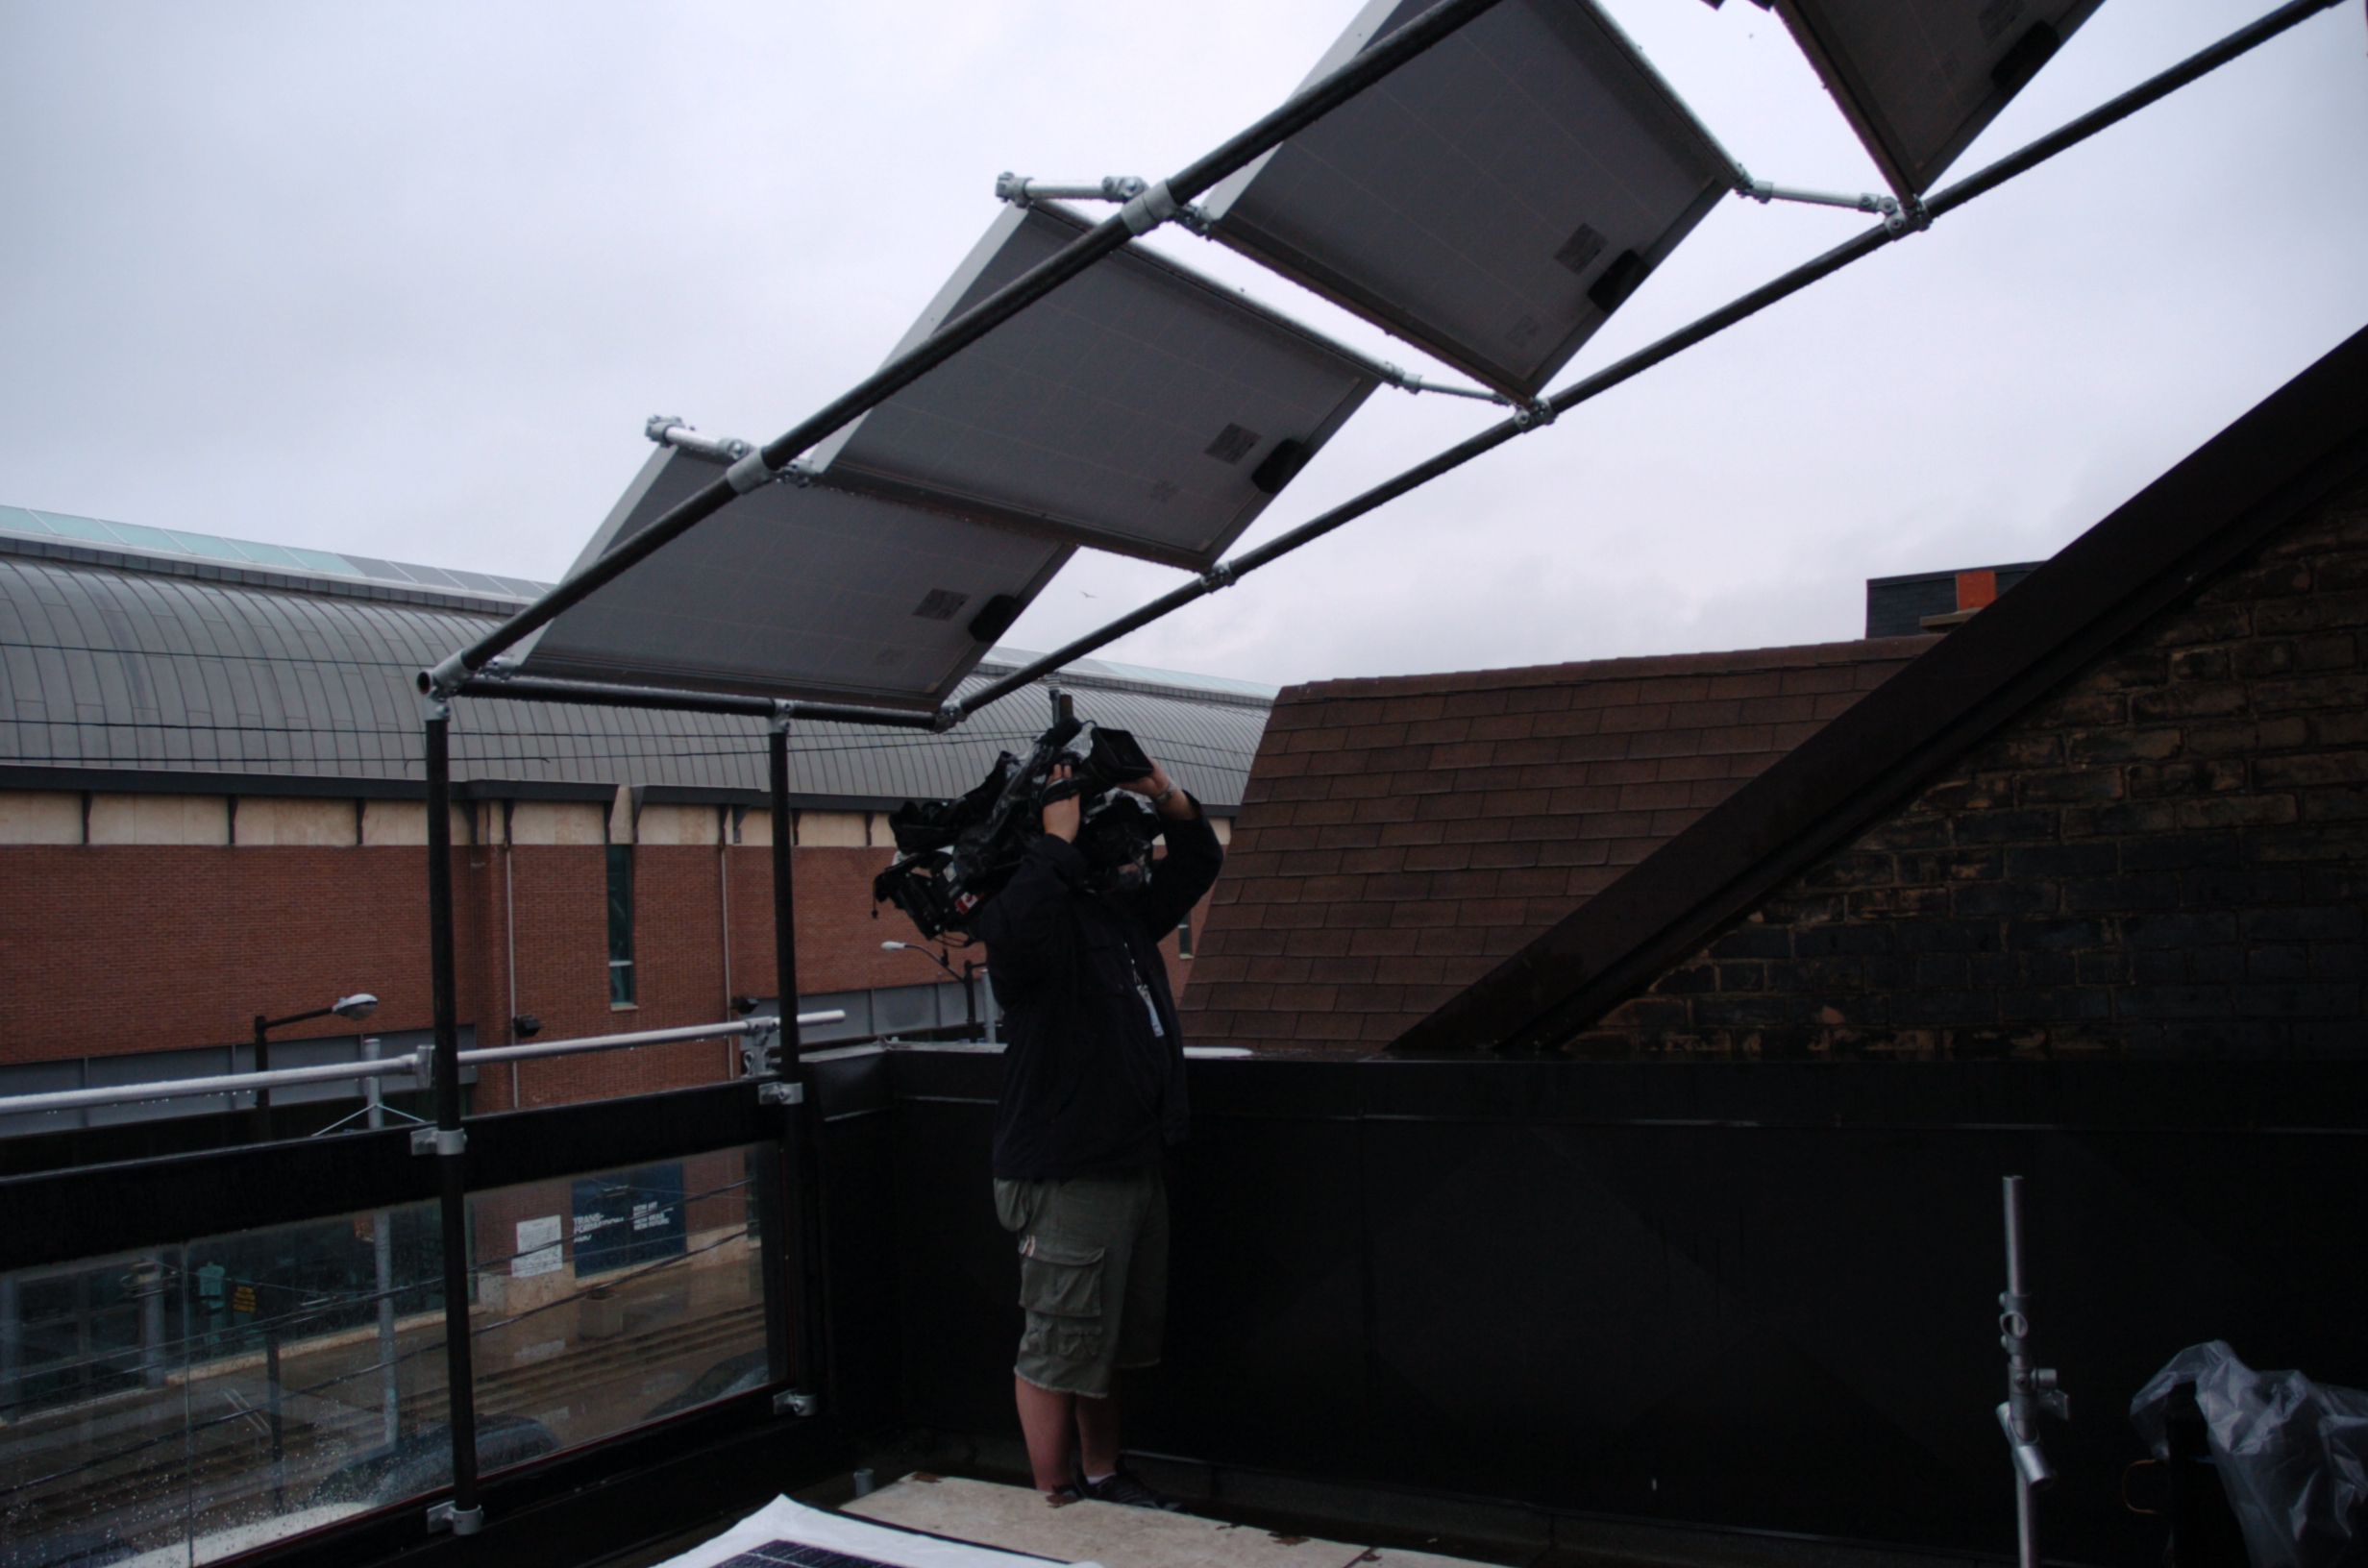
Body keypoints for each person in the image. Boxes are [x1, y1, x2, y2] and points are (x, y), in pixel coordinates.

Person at [972, 752, 1222, 1508]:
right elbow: (1009, 933)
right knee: (1059, 1341)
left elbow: (1198, 863)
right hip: (1069, 1170)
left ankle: (1105, 1475)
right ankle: (1057, 1500)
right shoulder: (1036, 926)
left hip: (1130, 1160)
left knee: (1101, 1341)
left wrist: (1160, 791)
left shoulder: (1118, 915)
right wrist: (1054, 838)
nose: (1123, 854)